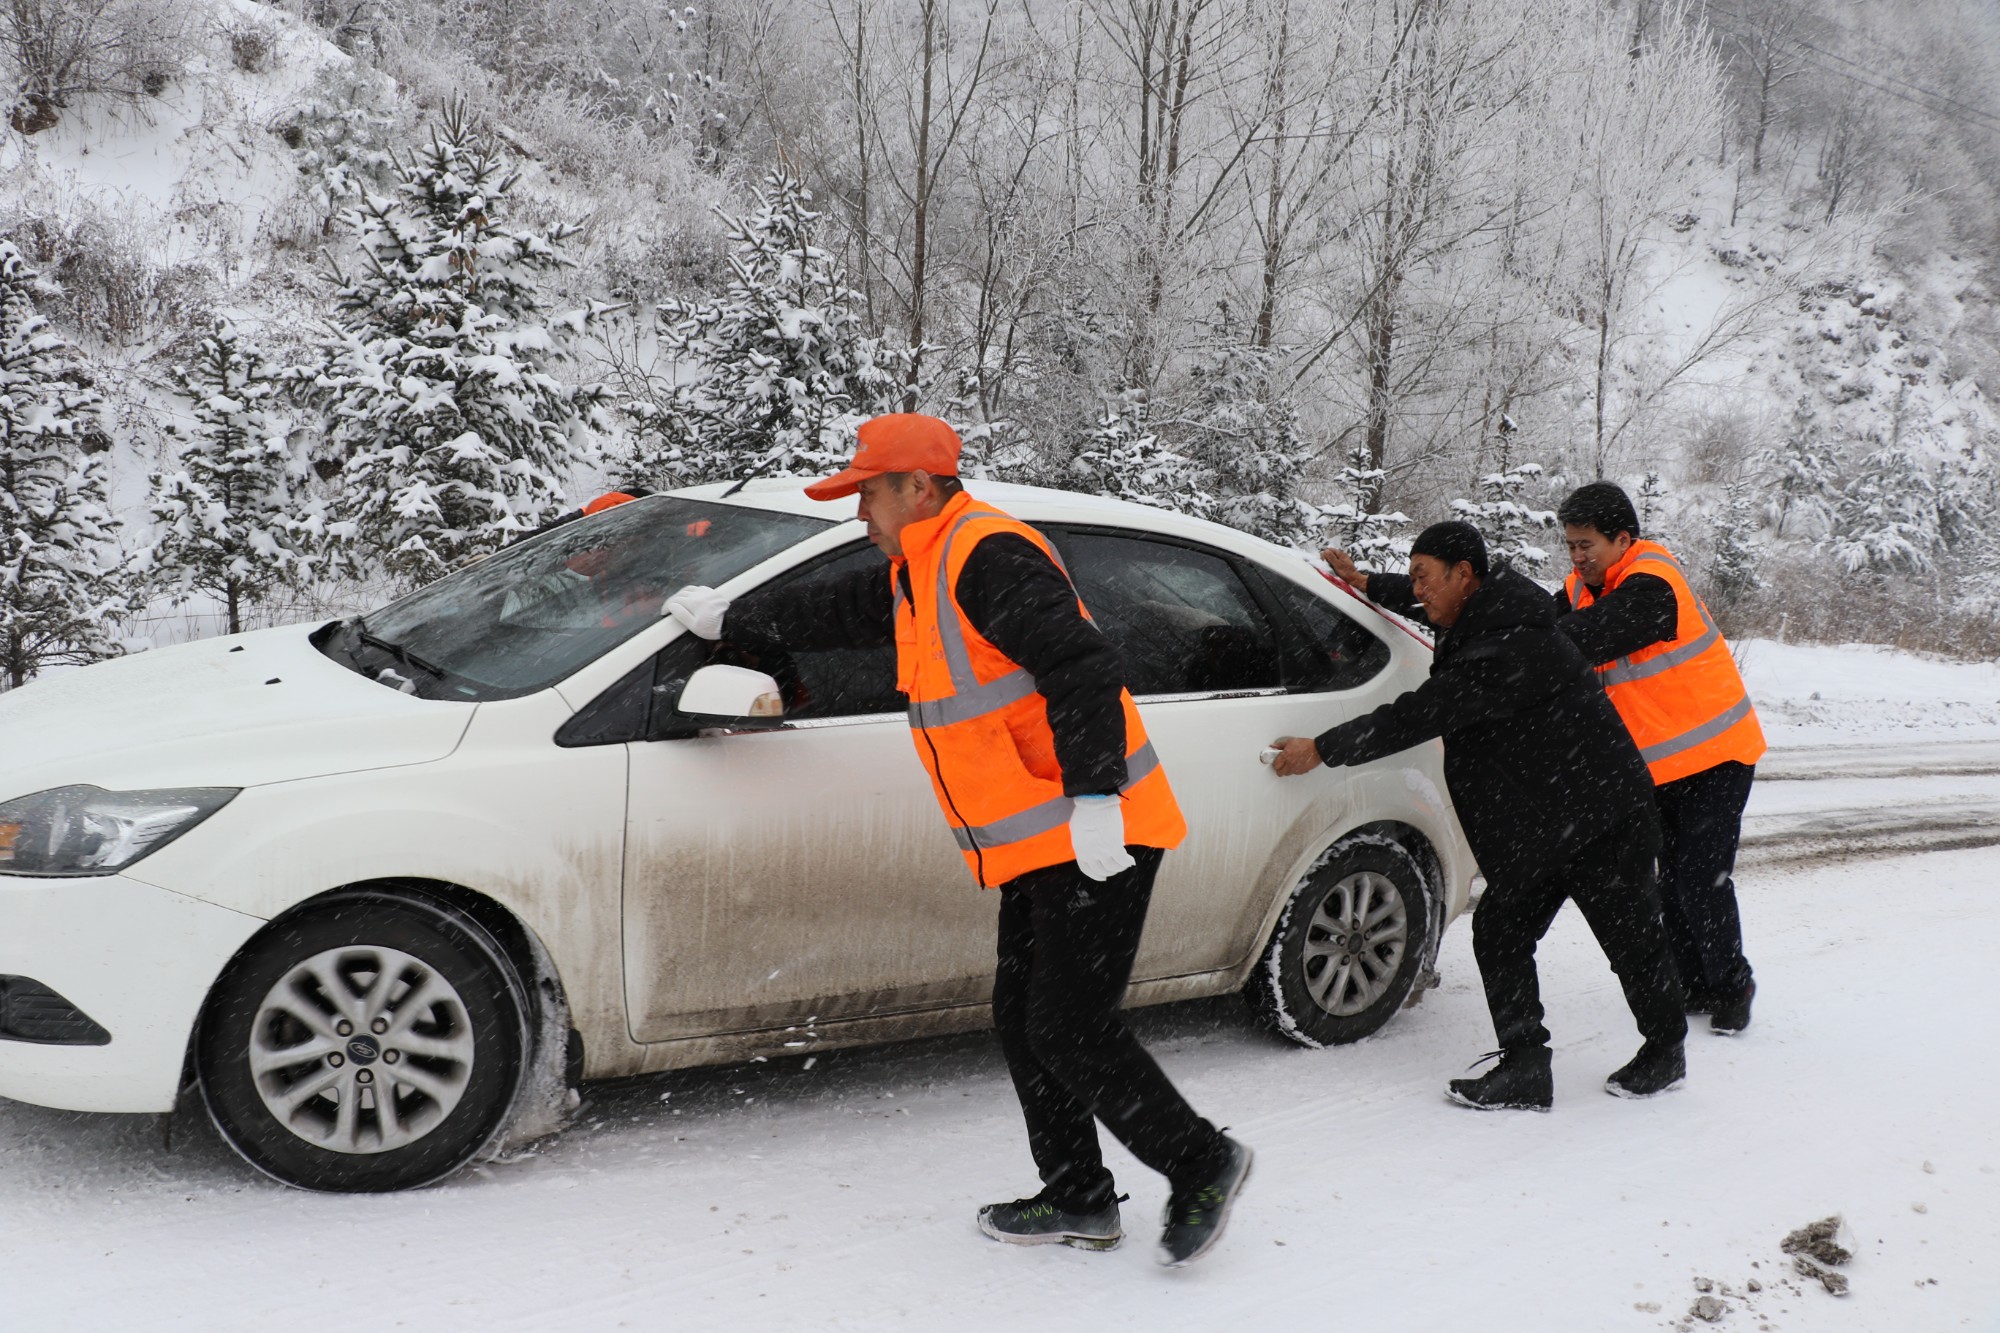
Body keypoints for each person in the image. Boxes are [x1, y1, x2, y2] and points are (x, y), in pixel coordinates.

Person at [662, 414, 1251, 1266]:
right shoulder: (920, 566)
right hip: (1038, 842)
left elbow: (1081, 663)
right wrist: (733, 619)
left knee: (1069, 1025)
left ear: (919, 486)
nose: (858, 509)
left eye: (867, 491)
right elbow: (834, 606)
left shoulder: (986, 555)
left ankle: (1202, 1159)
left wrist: (1093, 796)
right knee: (1024, 1018)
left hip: (1097, 832)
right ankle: (1079, 1196)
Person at [1277, 522, 1687, 1109]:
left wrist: (1320, 749)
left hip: (1602, 818)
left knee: (1631, 940)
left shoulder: (1510, 645)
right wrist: (1367, 583)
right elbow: (1425, 605)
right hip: (1544, 825)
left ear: (1463, 574)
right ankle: (1525, 1067)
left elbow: (1419, 713)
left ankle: (1666, 1049)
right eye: (1413, 576)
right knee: (1499, 931)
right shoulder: (1484, 615)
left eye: (1425, 576)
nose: (1418, 591)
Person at [1555, 482, 1765, 1035]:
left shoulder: (1653, 584)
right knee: (1668, 881)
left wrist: (1526, 645)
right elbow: (1518, 615)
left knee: (1699, 879)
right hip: (1660, 767)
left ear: (1622, 539)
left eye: (1587, 545)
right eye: (1570, 545)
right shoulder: (1581, 587)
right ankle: (1693, 981)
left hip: (1718, 757)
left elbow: (1585, 637)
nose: (1577, 557)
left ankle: (1732, 983)